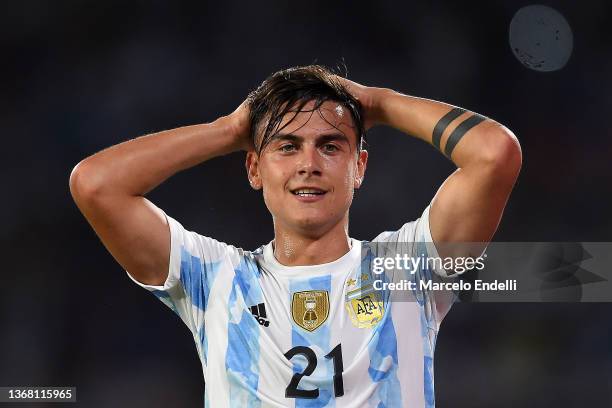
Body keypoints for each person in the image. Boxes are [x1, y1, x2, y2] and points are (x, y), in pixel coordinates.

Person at [69, 65, 521, 407]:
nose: (309, 164)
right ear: (254, 168)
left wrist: (378, 102)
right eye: (286, 146)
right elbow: (96, 185)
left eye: (330, 146)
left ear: (359, 167)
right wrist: (227, 130)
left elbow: (494, 153)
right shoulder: (213, 277)